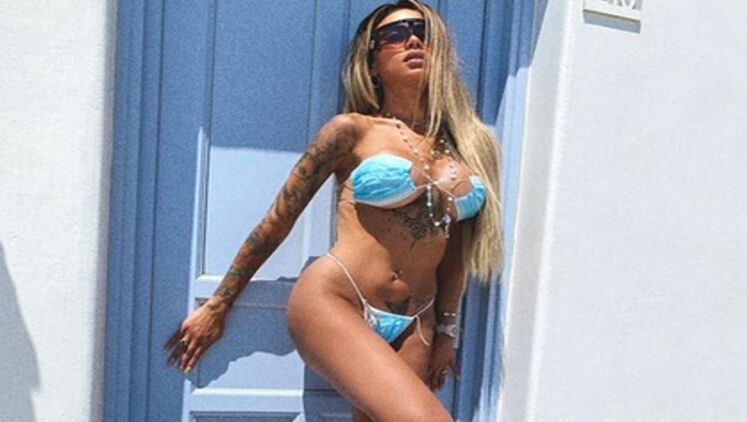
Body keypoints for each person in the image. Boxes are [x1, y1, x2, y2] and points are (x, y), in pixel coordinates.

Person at [164, 1, 504, 421]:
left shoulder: (467, 146)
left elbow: (454, 252)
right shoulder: (351, 131)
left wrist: (447, 331)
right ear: (372, 62)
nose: (413, 41)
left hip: (417, 320)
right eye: (395, 35)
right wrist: (220, 303)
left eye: (423, 31)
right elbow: (279, 220)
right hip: (337, 300)